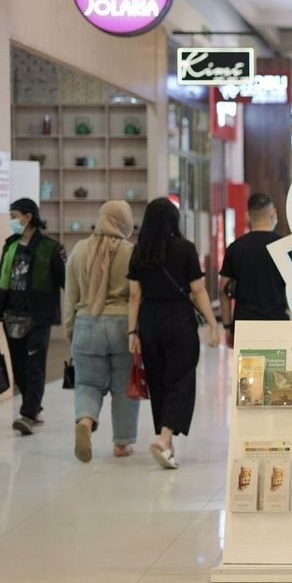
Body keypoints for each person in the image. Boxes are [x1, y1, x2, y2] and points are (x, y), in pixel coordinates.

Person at [127, 198, 220, 469]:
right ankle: (165, 439)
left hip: (149, 322)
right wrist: (213, 324)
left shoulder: (139, 252)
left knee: (158, 381)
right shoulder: (185, 249)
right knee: (181, 379)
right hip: (179, 322)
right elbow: (199, 290)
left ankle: (166, 443)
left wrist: (132, 331)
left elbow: (134, 296)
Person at [64, 201, 140, 462]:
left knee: (87, 384)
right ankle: (122, 443)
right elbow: (137, 296)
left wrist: (70, 329)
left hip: (87, 323)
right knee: (123, 388)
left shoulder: (80, 249)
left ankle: (85, 422)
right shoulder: (132, 252)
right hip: (122, 326)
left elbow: (70, 295)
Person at [0, 198, 65, 436]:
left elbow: (66, 283)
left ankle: (28, 413)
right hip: (12, 314)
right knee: (19, 365)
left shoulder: (51, 249)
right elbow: (1, 283)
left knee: (35, 366)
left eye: (14, 215)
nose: (12, 221)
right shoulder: (10, 246)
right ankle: (33, 406)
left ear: (28, 217)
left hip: (39, 316)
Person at [219, 193, 290, 346]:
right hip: (278, 323)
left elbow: (223, 290)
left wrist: (227, 326)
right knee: (276, 369)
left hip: (245, 324)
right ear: (273, 214)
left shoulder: (235, 248)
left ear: (247, 217)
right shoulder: (284, 246)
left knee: (249, 370)